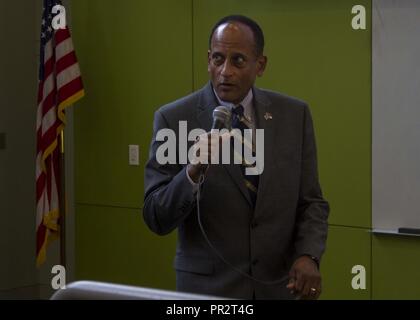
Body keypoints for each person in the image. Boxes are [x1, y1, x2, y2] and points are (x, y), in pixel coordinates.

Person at [143, 15, 329, 300]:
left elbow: (311, 202)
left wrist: (308, 255)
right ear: (208, 60)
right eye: (218, 59)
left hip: (277, 288)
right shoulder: (174, 119)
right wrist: (191, 172)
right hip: (209, 293)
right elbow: (156, 216)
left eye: (238, 60)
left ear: (261, 65)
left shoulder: (294, 116)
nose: (224, 71)